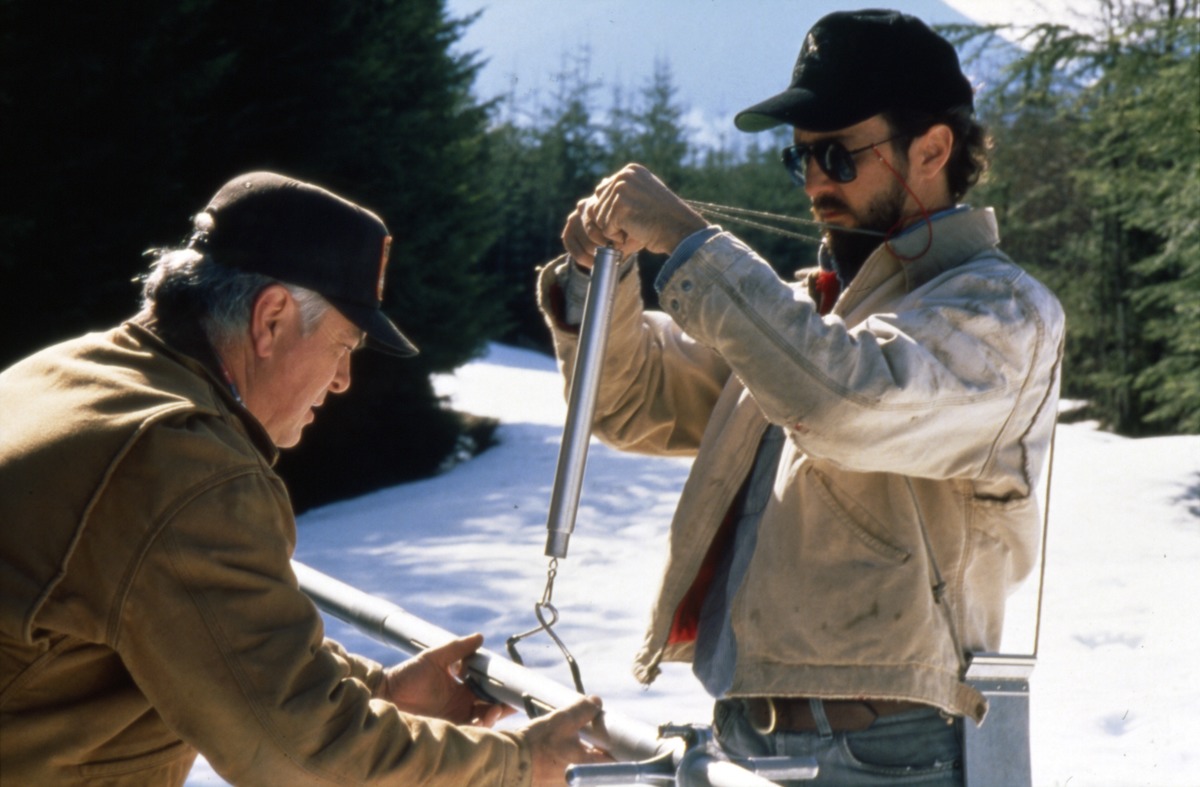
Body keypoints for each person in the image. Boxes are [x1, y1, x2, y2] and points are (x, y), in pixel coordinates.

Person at [538, 9, 1064, 785]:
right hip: (749, 739)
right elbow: (637, 400)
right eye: (802, 157)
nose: (816, 179)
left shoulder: (1004, 314)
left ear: (933, 149)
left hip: (892, 756)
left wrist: (691, 243)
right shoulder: (807, 319)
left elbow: (849, 406)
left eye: (839, 155)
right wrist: (596, 280)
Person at [0, 171, 606, 786]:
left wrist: (379, 689)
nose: (342, 380)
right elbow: (300, 754)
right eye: (343, 345)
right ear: (271, 319)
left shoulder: (68, 373)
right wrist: (520, 764)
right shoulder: (183, 468)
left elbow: (209, 628)